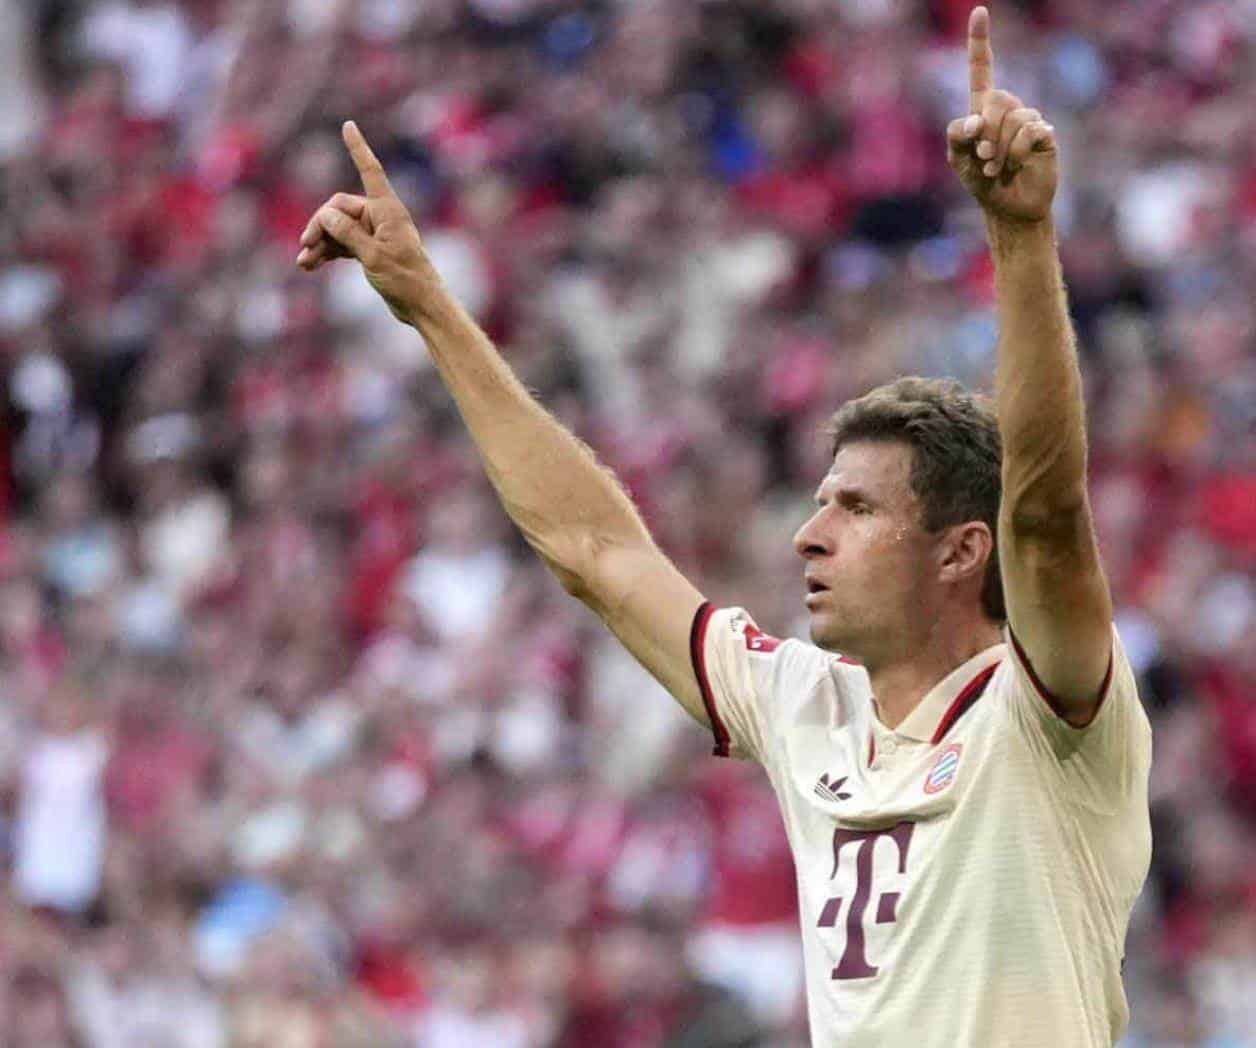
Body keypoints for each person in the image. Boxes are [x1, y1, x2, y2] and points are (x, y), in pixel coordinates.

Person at [295, 7, 1151, 1045]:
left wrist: (1018, 238)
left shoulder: (1046, 710)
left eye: (856, 507)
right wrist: (429, 303)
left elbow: (1049, 518)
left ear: (960, 550)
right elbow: (596, 553)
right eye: (819, 500)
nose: (807, 534)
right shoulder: (806, 705)